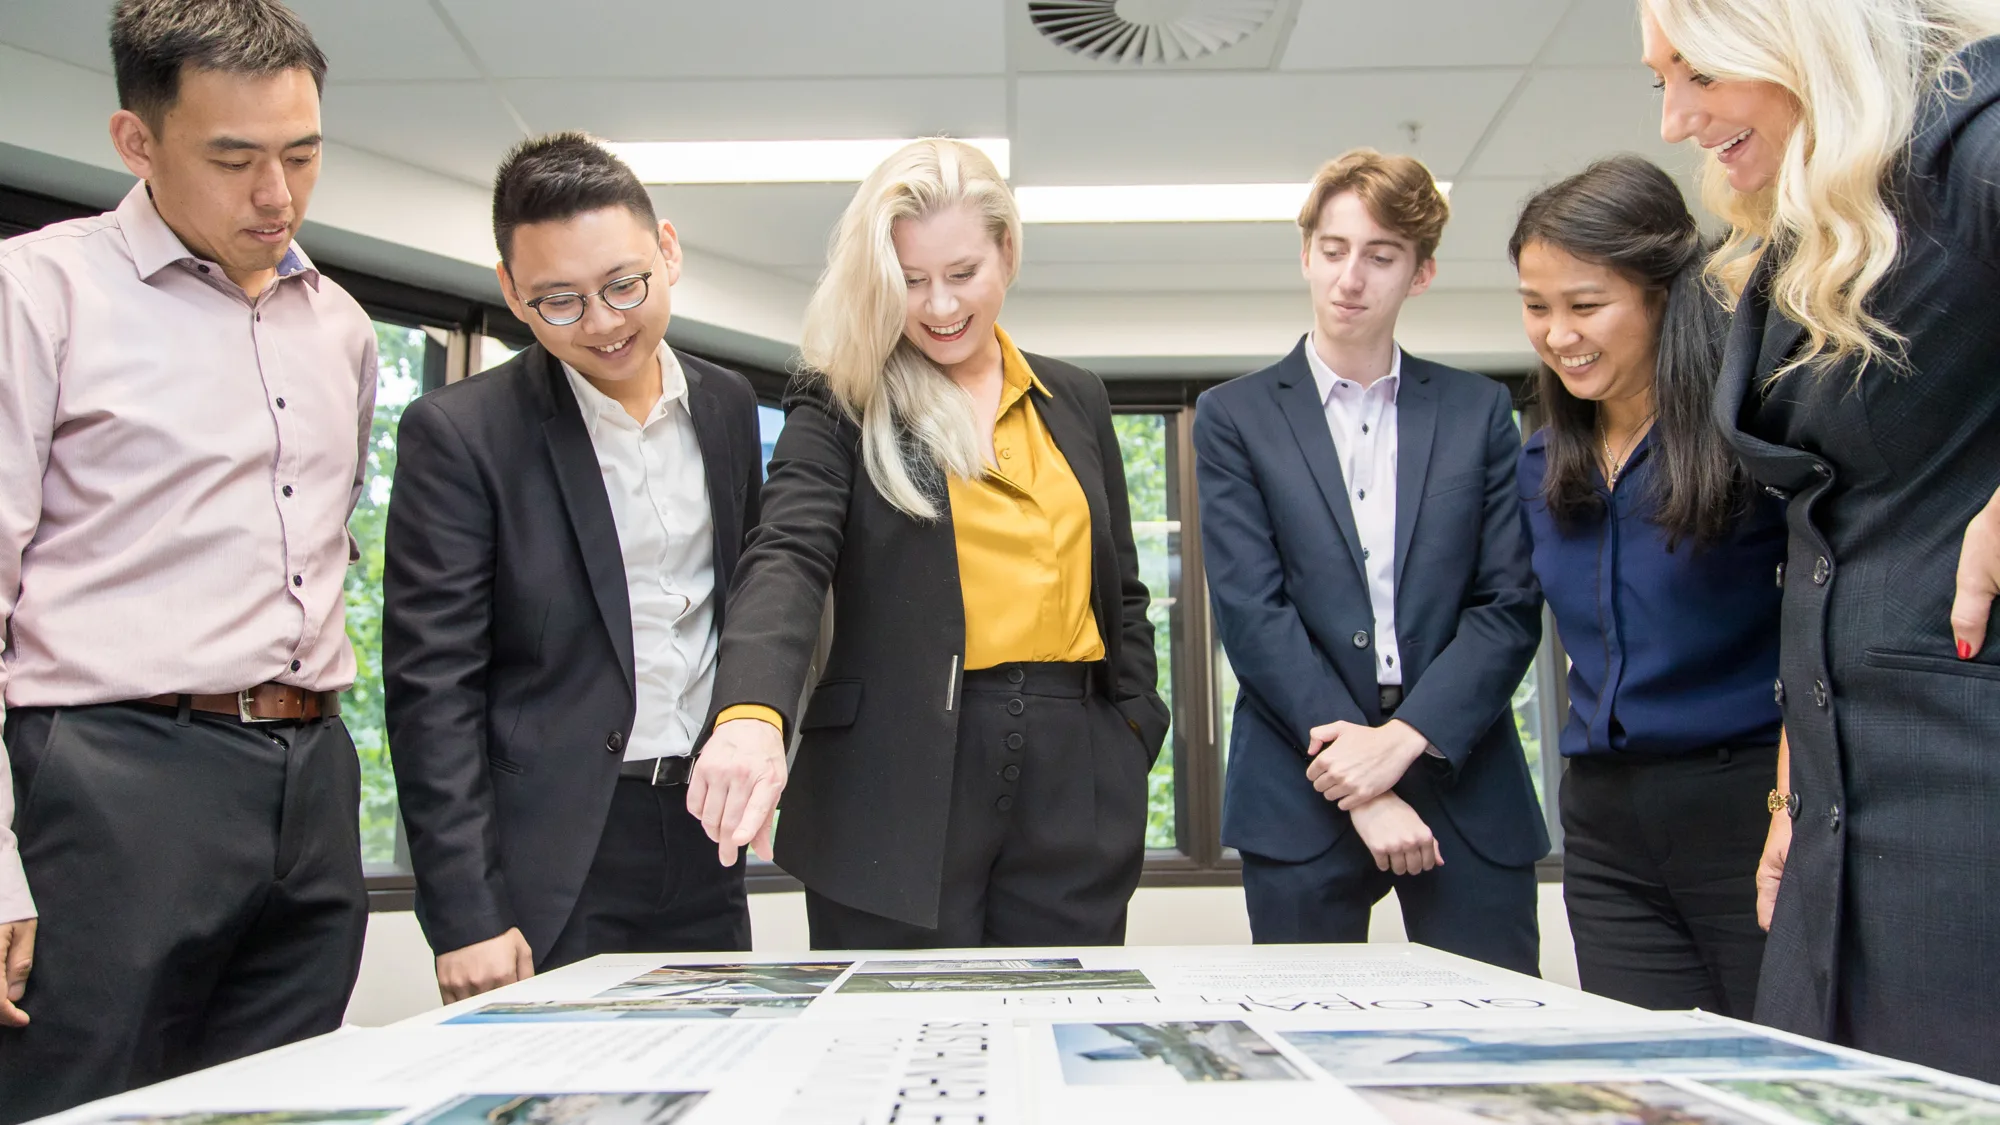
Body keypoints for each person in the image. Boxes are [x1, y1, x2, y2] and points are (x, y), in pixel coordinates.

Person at [0, 1, 374, 1117]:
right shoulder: (36, 294)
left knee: (272, 1103)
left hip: (310, 778)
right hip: (112, 776)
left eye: (302, 154)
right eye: (235, 158)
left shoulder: (342, 328)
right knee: (84, 1101)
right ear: (136, 141)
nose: (278, 196)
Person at [690, 138, 1168, 949]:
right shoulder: (844, 393)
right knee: (898, 1041)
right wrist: (749, 712)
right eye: (909, 282)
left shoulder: (1075, 396)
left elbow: (1119, 591)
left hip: (1072, 767)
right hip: (895, 774)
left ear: (1007, 254)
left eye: (962, 274)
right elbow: (788, 554)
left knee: (1057, 1028)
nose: (939, 306)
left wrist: (1128, 731)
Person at [1643, 0, 2000, 1079]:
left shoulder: (1977, 146)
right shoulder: (1819, 216)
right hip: (1844, 807)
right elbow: (1837, 532)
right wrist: (1800, 773)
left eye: (1696, 72)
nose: (1672, 119)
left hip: (1967, 806)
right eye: (1657, 80)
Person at [384, 134, 763, 999]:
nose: (602, 322)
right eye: (560, 301)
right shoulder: (462, 435)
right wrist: (466, 912)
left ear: (668, 249)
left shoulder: (728, 404)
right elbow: (430, 688)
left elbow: (745, 606)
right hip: (553, 854)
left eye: (624, 284)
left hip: (704, 834)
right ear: (511, 294)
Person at [1193, 149, 1549, 972]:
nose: (1351, 277)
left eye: (1381, 256)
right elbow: (1254, 612)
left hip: (1462, 766)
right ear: (1306, 253)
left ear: (1420, 274)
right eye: (1333, 249)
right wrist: (1363, 777)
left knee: (1499, 1045)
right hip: (1298, 777)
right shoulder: (1233, 417)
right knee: (1307, 1040)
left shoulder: (1478, 411)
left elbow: (1507, 604)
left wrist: (1408, 740)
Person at [1510, 154, 1784, 1015]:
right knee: (1644, 1076)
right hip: (1604, 822)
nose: (1560, 335)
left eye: (1586, 305)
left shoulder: (1754, 441)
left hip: (1743, 800)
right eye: (1536, 307)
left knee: (1767, 1066)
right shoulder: (1541, 465)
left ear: (1661, 296)